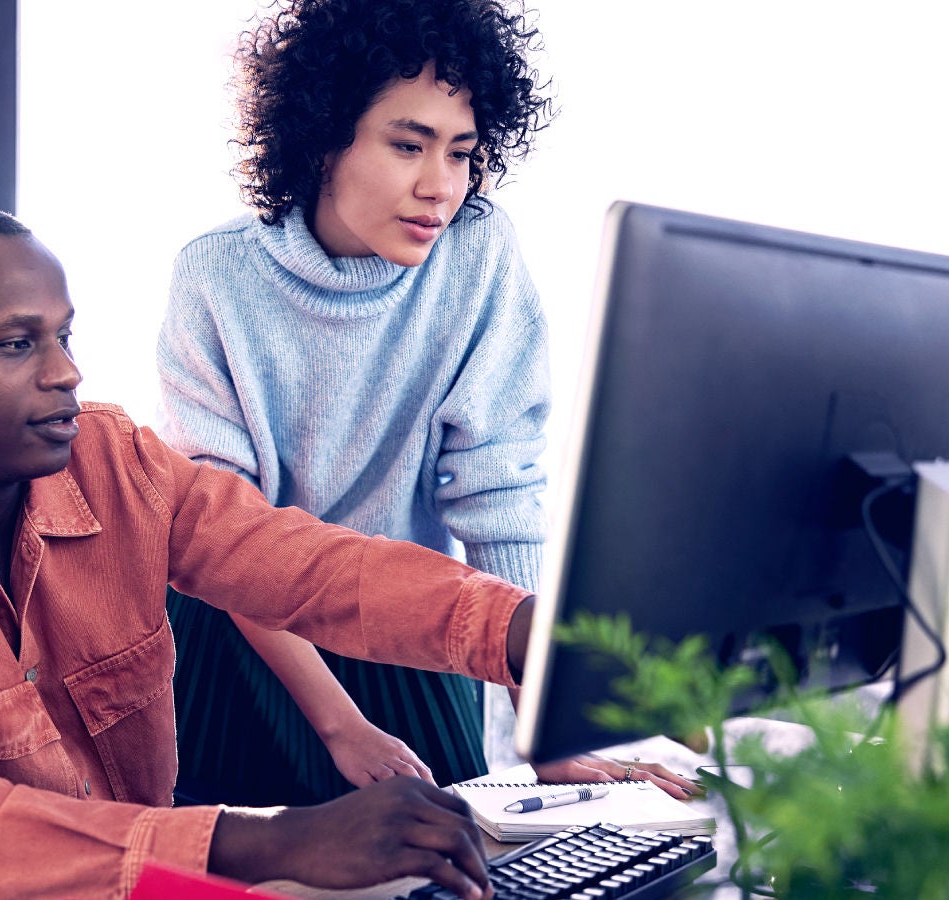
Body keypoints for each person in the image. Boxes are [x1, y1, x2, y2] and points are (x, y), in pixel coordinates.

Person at [0, 197, 548, 899]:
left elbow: (311, 568)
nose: (67, 373)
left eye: (64, 335)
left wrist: (529, 634)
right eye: (17, 345)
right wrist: (279, 840)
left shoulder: (114, 459)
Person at [158, 0, 696, 802]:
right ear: (323, 136)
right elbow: (226, 537)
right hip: (244, 637)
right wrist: (340, 725)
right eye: (407, 145)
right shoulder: (215, 276)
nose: (438, 187)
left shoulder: (479, 254)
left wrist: (542, 730)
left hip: (407, 623)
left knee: (453, 853)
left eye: (462, 152)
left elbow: (500, 494)